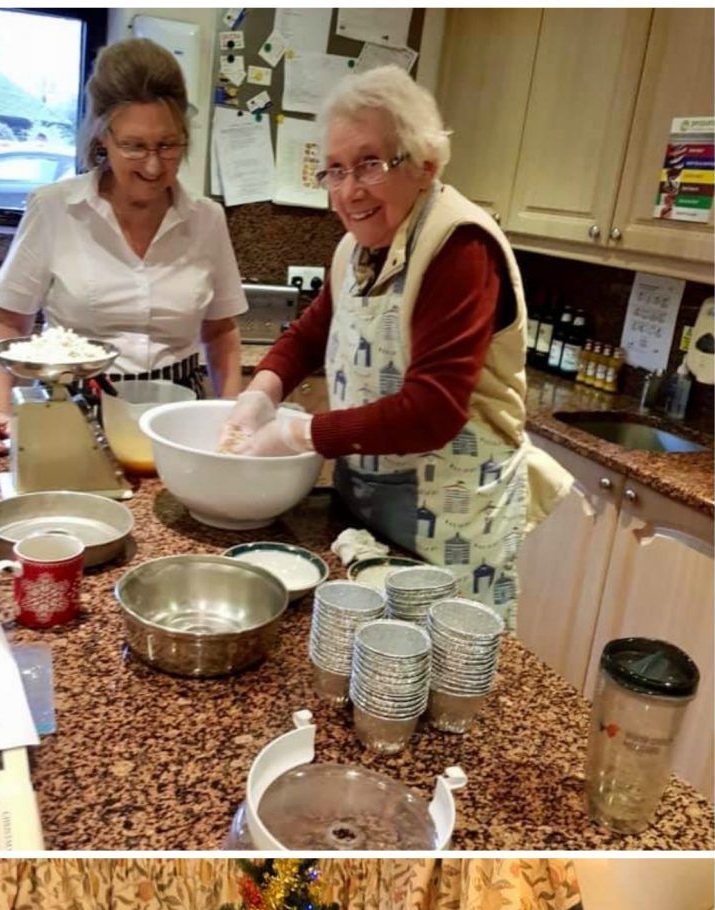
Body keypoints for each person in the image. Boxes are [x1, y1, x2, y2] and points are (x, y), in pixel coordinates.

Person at [217, 64, 561, 629]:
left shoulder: (459, 248)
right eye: (334, 170)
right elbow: (310, 333)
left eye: (370, 165)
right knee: (369, 666)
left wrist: (296, 432)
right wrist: (260, 394)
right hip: (369, 504)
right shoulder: (356, 248)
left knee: (446, 680)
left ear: (424, 163)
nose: (349, 190)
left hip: (450, 525)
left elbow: (432, 410)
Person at [0, 36, 247, 455]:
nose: (154, 166)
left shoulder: (207, 219)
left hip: (178, 418)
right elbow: (7, 321)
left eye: (168, 145)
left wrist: (228, 415)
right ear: (102, 136)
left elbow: (221, 330)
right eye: (134, 146)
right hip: (73, 413)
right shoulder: (55, 209)